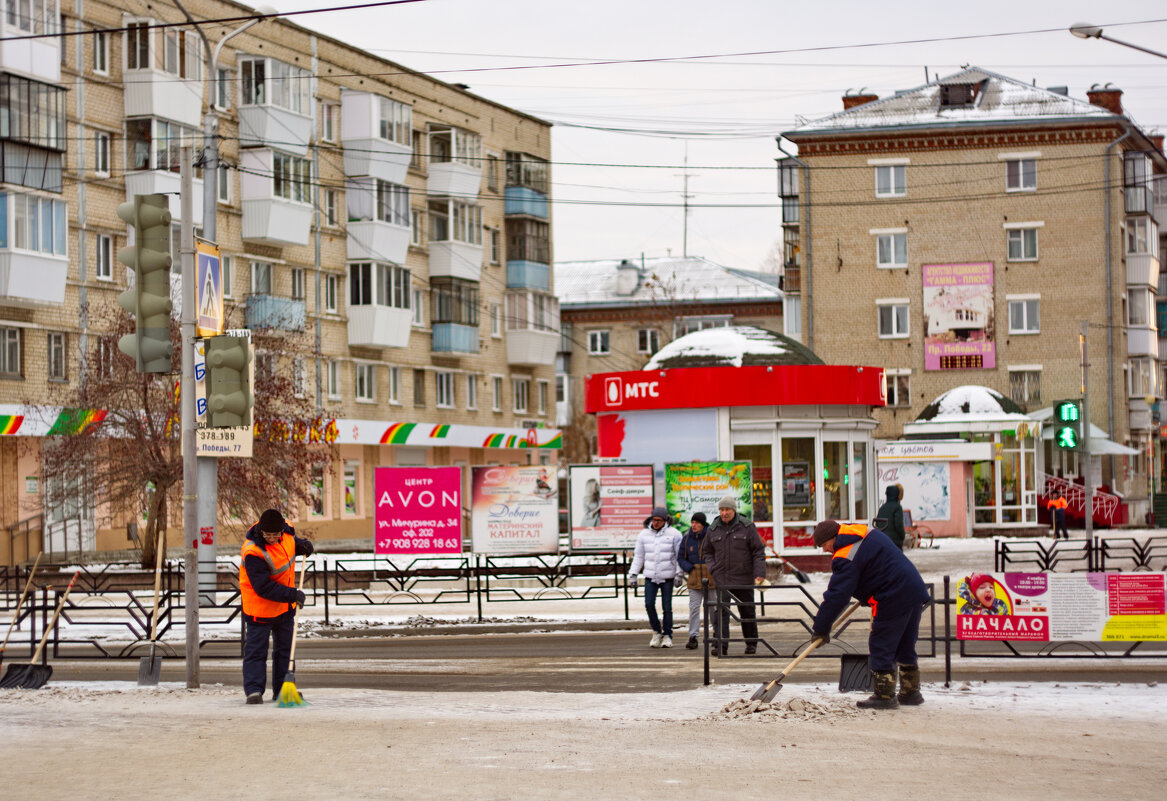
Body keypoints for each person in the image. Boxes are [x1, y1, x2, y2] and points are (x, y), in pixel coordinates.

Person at [810, 519, 930, 710]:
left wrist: (821, 628)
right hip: (913, 587)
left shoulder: (845, 555)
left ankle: (884, 696)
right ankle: (910, 692)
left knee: (881, 642)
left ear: (833, 538)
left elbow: (837, 596)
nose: (825, 550)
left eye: (824, 545)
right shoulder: (864, 532)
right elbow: (876, 564)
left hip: (892, 595)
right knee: (904, 643)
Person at [239, 509, 313, 704]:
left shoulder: (287, 533)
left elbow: (290, 545)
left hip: (283, 608)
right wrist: (292, 594)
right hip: (259, 608)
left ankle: (282, 689)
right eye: (267, 535)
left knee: (285, 650)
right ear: (260, 531)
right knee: (257, 651)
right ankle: (254, 691)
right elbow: (263, 587)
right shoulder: (253, 551)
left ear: (281, 531)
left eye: (275, 534)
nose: (272, 538)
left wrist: (302, 545)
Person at [704, 496, 766, 656]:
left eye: (727, 510)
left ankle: (751, 643)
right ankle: (720, 645)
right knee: (721, 612)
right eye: (722, 510)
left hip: (743, 577)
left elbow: (758, 551)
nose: (724, 513)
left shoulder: (747, 526)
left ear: (734, 510)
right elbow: (707, 551)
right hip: (722, 578)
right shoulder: (713, 529)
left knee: (747, 611)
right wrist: (713, 568)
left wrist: (759, 573)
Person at [628, 507, 683, 648]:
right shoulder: (644, 535)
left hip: (668, 576)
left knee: (667, 607)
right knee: (648, 604)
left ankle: (667, 635)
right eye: (654, 520)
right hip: (650, 575)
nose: (656, 523)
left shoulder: (674, 534)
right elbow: (639, 556)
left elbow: (679, 556)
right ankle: (656, 631)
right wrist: (633, 574)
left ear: (665, 520)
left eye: (659, 520)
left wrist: (679, 574)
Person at [676, 512, 714, 650]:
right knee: (694, 608)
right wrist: (689, 568)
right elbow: (680, 557)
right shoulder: (687, 538)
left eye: (697, 523)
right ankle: (693, 636)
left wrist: (712, 568)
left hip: (710, 577)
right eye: (692, 522)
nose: (694, 525)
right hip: (694, 577)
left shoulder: (711, 537)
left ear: (703, 525)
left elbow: (718, 555)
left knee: (713, 608)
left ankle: (716, 635)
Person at [874, 484, 906, 550]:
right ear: (897, 495)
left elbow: (877, 523)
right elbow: (898, 524)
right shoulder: (897, 507)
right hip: (895, 542)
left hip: (883, 541)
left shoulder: (882, 508)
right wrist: (902, 536)